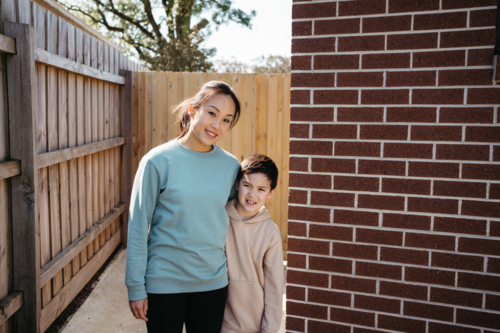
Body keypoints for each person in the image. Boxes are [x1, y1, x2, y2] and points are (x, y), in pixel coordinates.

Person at [125, 81, 242, 333]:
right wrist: (135, 286)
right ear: (192, 109)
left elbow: (239, 217)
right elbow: (137, 225)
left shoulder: (230, 166)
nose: (216, 125)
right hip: (163, 286)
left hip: (212, 285)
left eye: (226, 120)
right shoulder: (157, 161)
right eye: (212, 113)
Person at [222, 154, 284, 333]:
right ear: (237, 184)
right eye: (247, 185)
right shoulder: (221, 217)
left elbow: (274, 286)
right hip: (221, 322)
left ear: (271, 193)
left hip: (255, 326)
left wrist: (269, 329)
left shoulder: (271, 232)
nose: (252, 194)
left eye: (261, 189)